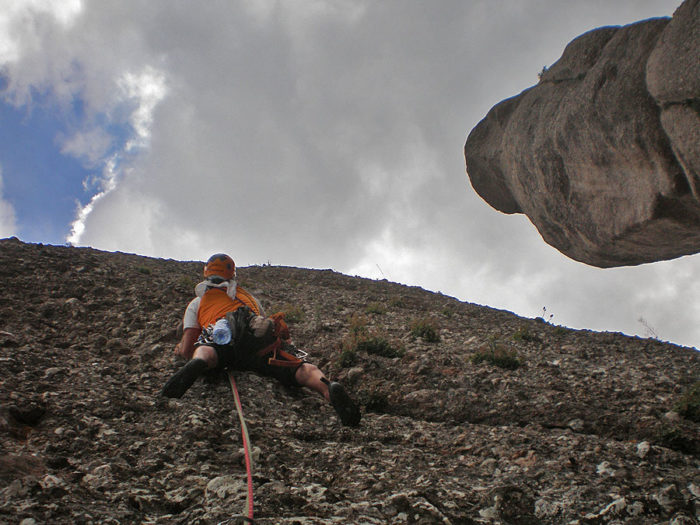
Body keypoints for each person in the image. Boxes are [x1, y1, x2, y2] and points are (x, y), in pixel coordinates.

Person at [161, 253, 361, 427]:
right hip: (260, 346)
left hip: (226, 342)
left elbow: (187, 344)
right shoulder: (249, 299)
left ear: (206, 274)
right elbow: (262, 325)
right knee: (302, 368)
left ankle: (200, 361)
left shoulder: (198, 302)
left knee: (207, 346)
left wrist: (183, 351)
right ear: (233, 275)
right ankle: (327, 388)